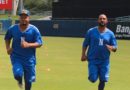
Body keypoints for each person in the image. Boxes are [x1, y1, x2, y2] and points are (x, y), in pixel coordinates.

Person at [4, 9, 43, 90]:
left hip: (29, 59)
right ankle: (19, 81)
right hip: (16, 57)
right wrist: (8, 48)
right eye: (22, 17)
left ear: (29, 18)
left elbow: (39, 43)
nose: (23, 19)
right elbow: (7, 38)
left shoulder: (34, 29)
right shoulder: (13, 28)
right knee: (17, 74)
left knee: (29, 82)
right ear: (19, 18)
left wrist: (28, 44)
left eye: (25, 17)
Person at [81, 14, 117, 90]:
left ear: (106, 21)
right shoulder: (91, 31)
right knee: (93, 79)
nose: (102, 20)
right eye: (100, 18)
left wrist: (111, 47)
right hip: (93, 60)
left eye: (104, 19)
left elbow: (115, 48)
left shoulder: (110, 34)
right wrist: (83, 55)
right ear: (98, 20)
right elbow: (85, 44)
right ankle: (94, 73)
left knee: (103, 79)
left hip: (104, 61)